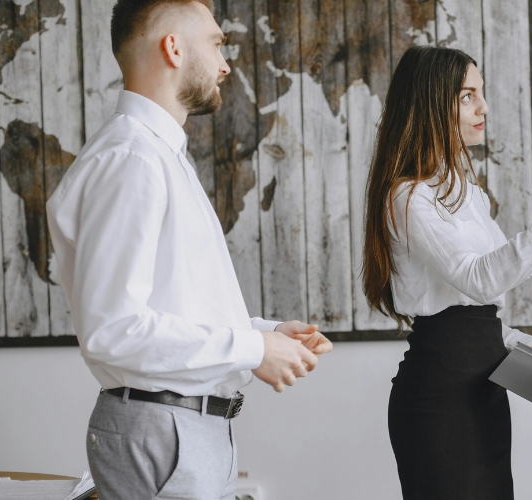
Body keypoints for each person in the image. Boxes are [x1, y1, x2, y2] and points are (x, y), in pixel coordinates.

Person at [45, 1, 332, 498]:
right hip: (164, 431)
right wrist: (253, 349)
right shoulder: (132, 159)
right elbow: (114, 330)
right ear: (173, 47)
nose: (225, 64)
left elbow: (172, 305)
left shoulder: (157, 154)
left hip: (182, 428)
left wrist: (264, 333)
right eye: (217, 43)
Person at [362, 45, 532, 499]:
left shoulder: (468, 194)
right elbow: (478, 279)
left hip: (484, 389)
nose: (483, 107)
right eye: (467, 96)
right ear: (430, 103)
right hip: (439, 399)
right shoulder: (408, 196)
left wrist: (520, 343)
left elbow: (477, 302)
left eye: (480, 94)